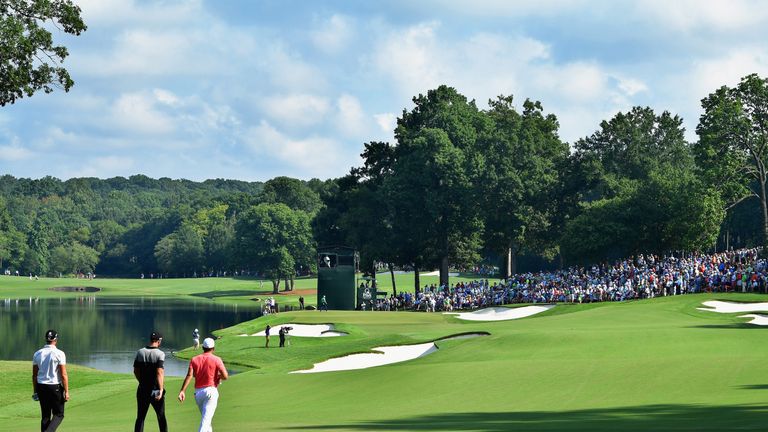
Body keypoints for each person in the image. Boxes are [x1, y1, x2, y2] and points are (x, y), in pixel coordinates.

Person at [178, 338, 229, 432]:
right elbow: (225, 376)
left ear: (203, 347)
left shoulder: (194, 359)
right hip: (211, 392)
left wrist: (182, 391)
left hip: (198, 394)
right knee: (205, 423)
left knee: (207, 421)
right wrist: (218, 376)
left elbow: (189, 375)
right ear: (213, 348)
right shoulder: (217, 359)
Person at [32, 329, 69, 432]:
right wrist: (66, 391)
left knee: (45, 416)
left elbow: (34, 375)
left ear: (46, 339)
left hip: (41, 387)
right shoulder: (59, 353)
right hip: (54, 387)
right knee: (59, 414)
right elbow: (63, 374)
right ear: (56, 339)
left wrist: (35, 391)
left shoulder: (37, 354)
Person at [133, 331, 167, 432]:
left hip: (142, 389)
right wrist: (161, 389)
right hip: (155, 390)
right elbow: (159, 372)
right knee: (161, 417)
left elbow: (135, 371)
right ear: (159, 341)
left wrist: (141, 382)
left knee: (140, 417)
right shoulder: (160, 354)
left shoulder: (140, 352)